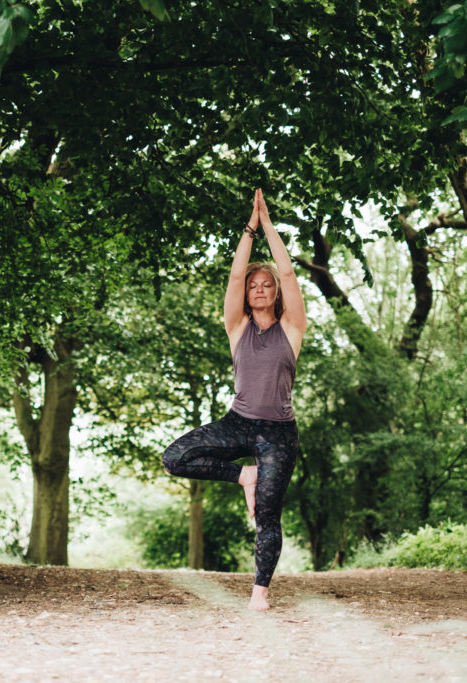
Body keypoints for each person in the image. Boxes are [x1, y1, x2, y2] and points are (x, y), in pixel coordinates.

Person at [162, 188, 307, 611]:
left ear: (275, 293)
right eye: (253, 286)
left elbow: (290, 274)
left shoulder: (292, 327)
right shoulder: (237, 327)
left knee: (267, 516)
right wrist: (249, 228)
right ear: (246, 295)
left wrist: (270, 228)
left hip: (279, 434)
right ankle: (242, 476)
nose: (260, 289)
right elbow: (233, 277)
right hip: (238, 422)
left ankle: (259, 592)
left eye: (267, 285)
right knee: (174, 458)